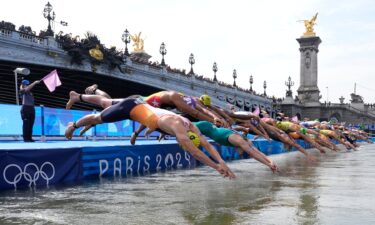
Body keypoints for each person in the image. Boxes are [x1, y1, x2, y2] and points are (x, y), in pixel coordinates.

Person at [64, 96, 235, 179]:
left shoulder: (189, 125)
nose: (182, 144)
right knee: (97, 118)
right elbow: (196, 152)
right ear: (184, 138)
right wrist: (216, 167)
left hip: (138, 104)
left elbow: (207, 145)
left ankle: (79, 96)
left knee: (104, 102)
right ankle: (73, 125)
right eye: (183, 143)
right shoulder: (177, 127)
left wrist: (222, 162)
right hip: (128, 109)